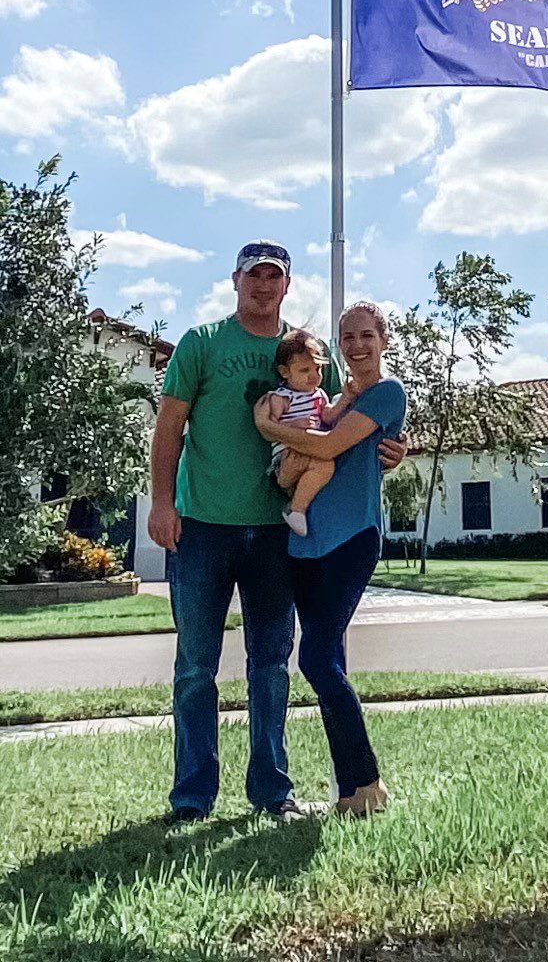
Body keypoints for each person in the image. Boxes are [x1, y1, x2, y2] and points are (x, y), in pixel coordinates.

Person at [147, 242, 406, 825]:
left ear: (286, 286)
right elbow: (169, 428)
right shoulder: (202, 343)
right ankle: (191, 797)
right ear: (236, 279)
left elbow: (345, 424)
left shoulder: (312, 353)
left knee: (270, 662)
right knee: (195, 666)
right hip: (202, 526)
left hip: (276, 535)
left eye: (275, 276)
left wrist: (390, 449)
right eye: (254, 275)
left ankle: (271, 792)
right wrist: (163, 502)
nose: (264, 285)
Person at [256, 300, 406, 818]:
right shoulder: (330, 401)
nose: (358, 346)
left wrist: (272, 431)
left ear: (383, 341)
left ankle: (367, 781)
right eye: (348, 338)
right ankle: (352, 794)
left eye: (367, 336)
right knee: (329, 661)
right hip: (303, 543)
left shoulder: (387, 394)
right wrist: (287, 460)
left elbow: (330, 446)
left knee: (316, 658)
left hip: (352, 539)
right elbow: (286, 473)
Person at [261, 328, 355, 538]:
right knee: (324, 465)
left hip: (312, 452)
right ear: (285, 372)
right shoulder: (281, 397)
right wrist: (295, 425)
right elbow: (270, 428)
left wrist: (346, 399)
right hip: (285, 455)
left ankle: (296, 507)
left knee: (325, 466)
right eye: (305, 370)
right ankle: (297, 510)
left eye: (317, 369)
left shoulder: (319, 395)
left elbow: (328, 417)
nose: (314, 376)